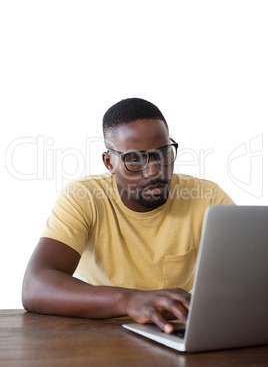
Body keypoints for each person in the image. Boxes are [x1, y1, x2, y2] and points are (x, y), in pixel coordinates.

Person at [22, 98, 234, 334]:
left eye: (162, 153)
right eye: (134, 159)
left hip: (176, 328)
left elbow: (250, 273)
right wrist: (128, 300)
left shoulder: (208, 197)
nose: (153, 170)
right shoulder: (85, 197)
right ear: (108, 162)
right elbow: (35, 286)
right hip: (102, 329)